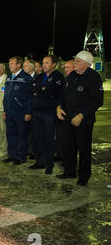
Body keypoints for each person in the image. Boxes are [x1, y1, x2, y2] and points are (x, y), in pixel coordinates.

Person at [56, 51, 104, 186]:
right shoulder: (72, 76)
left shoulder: (93, 77)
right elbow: (63, 95)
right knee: (68, 146)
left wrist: (82, 115)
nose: (74, 63)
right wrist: (59, 107)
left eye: (76, 61)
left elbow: (98, 101)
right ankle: (69, 171)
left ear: (85, 64)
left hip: (83, 119)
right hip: (68, 117)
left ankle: (83, 176)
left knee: (84, 149)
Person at [28, 55, 65, 175]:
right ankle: (40, 161)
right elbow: (31, 89)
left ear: (54, 64)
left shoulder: (58, 77)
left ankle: (49, 165)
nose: (43, 65)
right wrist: (42, 89)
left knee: (48, 139)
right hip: (36, 111)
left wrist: (40, 90)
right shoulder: (40, 76)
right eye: (43, 63)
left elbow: (51, 91)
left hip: (49, 113)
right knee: (38, 138)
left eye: (47, 63)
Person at [3, 56, 33, 165]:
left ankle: (21, 156)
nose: (9, 65)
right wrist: (5, 110)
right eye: (9, 63)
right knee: (10, 134)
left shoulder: (26, 78)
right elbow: (6, 96)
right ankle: (12, 154)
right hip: (10, 112)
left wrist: (28, 112)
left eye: (12, 63)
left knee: (21, 136)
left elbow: (30, 97)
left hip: (21, 112)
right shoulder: (9, 77)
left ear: (18, 65)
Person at [23, 59, 37, 160]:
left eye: (26, 66)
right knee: (26, 131)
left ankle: (33, 151)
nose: (24, 68)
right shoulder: (23, 78)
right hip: (23, 108)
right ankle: (27, 149)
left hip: (34, 110)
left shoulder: (37, 78)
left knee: (33, 132)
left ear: (32, 68)